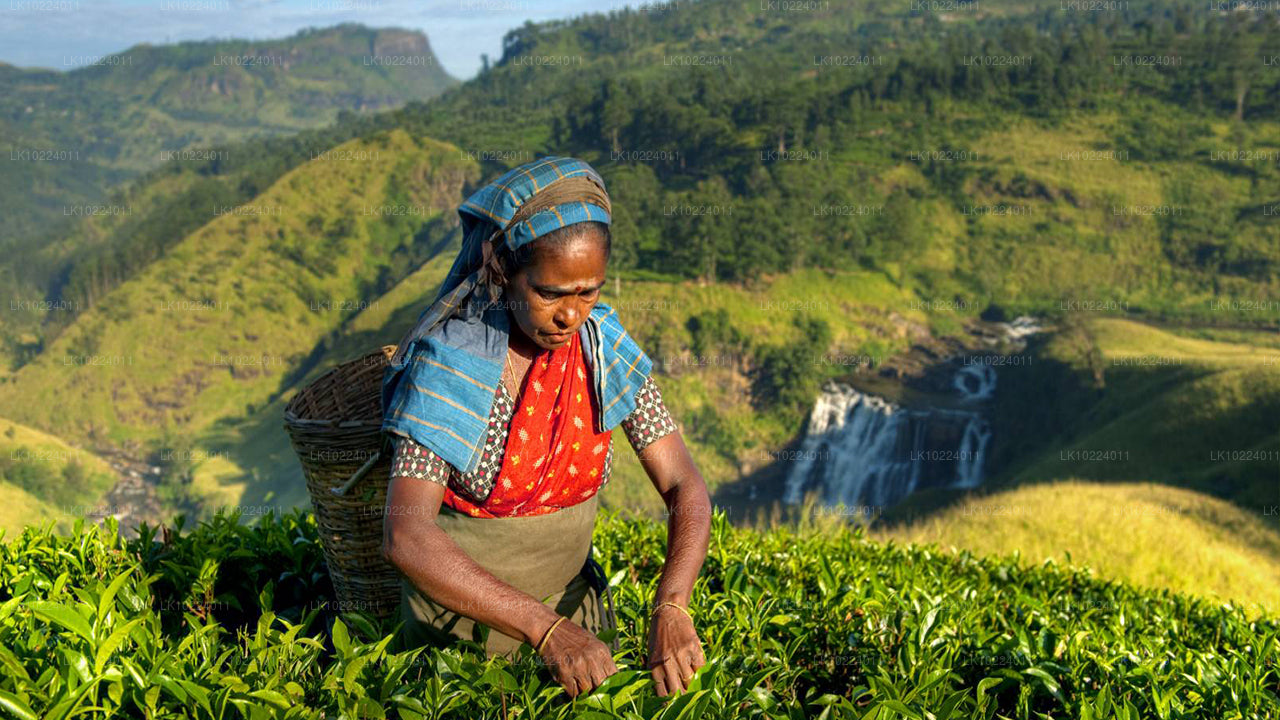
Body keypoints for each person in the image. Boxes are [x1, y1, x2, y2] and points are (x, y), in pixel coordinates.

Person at [379, 156, 712, 698]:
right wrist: (544, 629)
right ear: (505, 271)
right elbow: (405, 534)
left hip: (581, 638)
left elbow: (684, 486)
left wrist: (672, 605)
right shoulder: (452, 363)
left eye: (589, 292)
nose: (570, 315)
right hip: (454, 650)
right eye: (550, 293)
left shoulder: (601, 346)